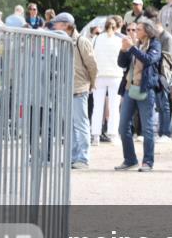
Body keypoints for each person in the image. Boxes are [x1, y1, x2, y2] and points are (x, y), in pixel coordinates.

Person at [50, 12, 97, 170]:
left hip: (79, 87)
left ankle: (82, 158)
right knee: (70, 125)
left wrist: (91, 83)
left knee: (81, 124)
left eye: (57, 24)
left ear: (65, 25)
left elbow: (92, 65)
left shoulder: (81, 41)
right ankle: (73, 157)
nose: (54, 26)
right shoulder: (62, 41)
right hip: (66, 89)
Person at [114, 19, 161, 172]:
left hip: (145, 89)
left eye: (137, 29)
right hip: (129, 88)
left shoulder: (155, 44)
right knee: (123, 126)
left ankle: (148, 161)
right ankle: (130, 159)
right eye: (131, 30)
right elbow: (122, 64)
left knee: (147, 128)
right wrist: (123, 50)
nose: (133, 33)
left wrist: (132, 48)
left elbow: (149, 60)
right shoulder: (135, 45)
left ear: (147, 31)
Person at [143, 6, 172, 144]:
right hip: (157, 73)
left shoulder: (167, 38)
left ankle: (166, 133)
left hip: (164, 73)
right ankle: (162, 132)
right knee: (160, 104)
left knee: (164, 104)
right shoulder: (157, 38)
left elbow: (167, 58)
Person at [91, 15, 123, 147]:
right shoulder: (119, 40)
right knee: (114, 107)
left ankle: (95, 136)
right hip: (115, 75)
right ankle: (113, 134)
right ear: (116, 27)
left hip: (100, 75)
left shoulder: (97, 39)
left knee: (97, 106)